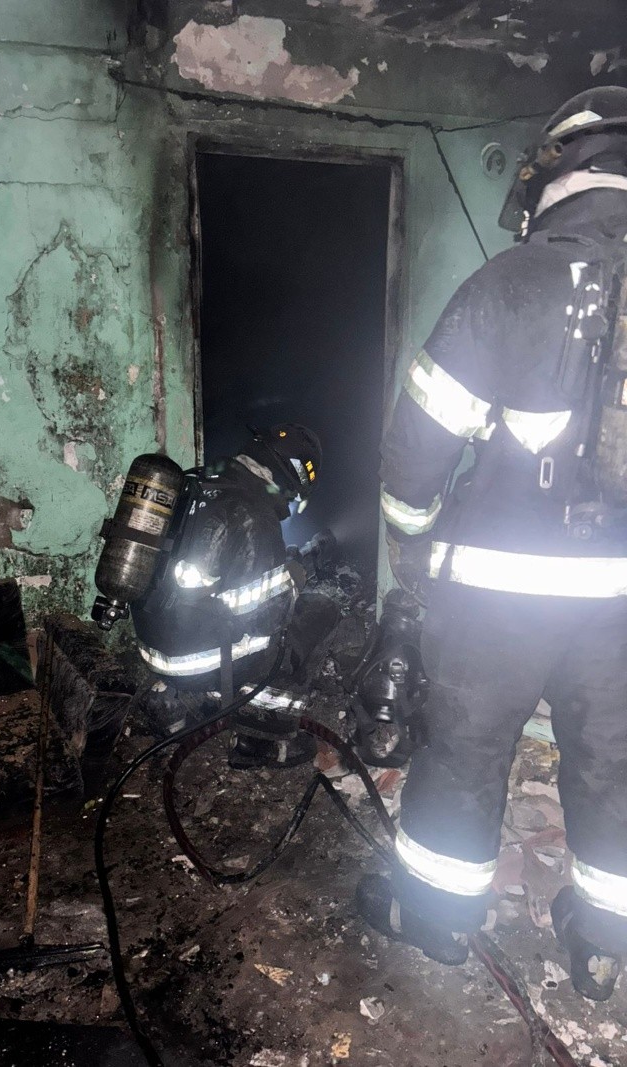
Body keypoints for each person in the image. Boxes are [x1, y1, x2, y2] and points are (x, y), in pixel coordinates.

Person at [356, 88, 627, 1000]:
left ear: (553, 175)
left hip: (497, 600)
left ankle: (436, 920)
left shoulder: (511, 283)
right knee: (615, 763)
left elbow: (415, 451)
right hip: (620, 606)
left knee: (465, 753)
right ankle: (603, 946)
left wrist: (411, 546)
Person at [131, 424, 339, 768]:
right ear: (289, 481)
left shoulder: (198, 484)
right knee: (315, 614)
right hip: (195, 663)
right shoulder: (254, 513)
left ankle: (172, 701)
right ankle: (261, 740)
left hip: (152, 647)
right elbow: (268, 619)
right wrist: (292, 581)